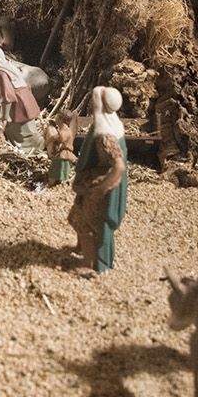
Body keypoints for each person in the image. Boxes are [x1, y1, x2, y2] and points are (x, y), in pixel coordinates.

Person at [68, 86, 128, 275]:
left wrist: (102, 188)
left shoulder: (105, 136)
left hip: (98, 186)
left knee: (86, 224)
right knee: (77, 217)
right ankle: (81, 248)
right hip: (90, 180)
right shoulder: (112, 124)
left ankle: (89, 264)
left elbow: (119, 166)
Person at [0, 46, 44, 152]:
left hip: (17, 103)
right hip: (25, 99)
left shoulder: (1, 73)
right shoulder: (9, 66)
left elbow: (8, 97)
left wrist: (4, 117)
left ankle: (3, 136)